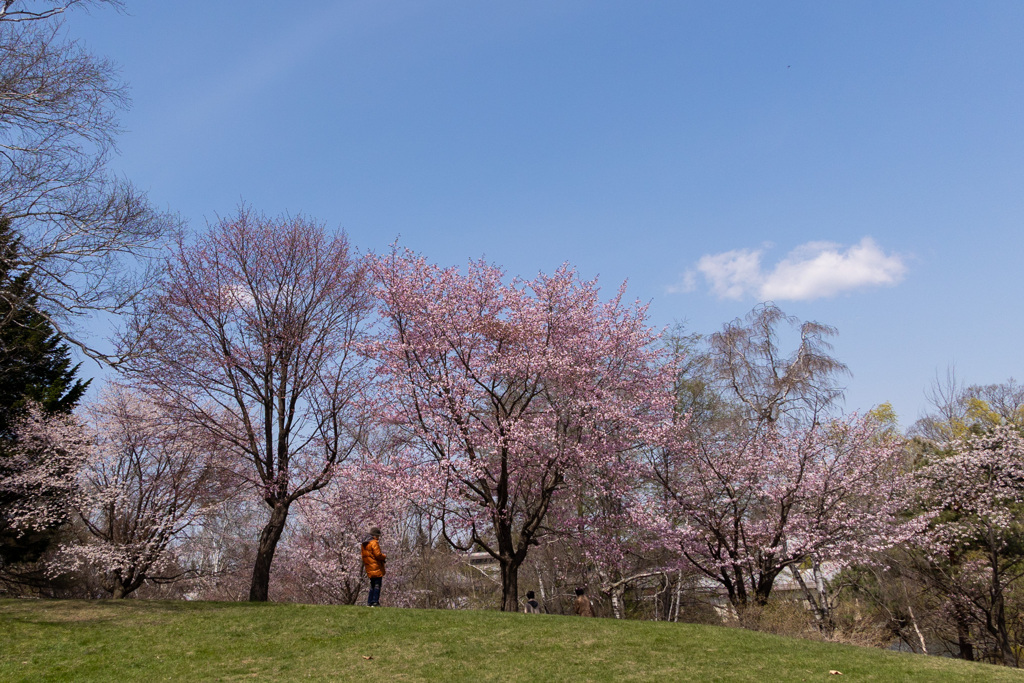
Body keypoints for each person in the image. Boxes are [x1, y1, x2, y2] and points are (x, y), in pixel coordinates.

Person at [361, 526, 386, 607]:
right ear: (375, 535)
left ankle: (369, 602)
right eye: (378, 536)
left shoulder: (364, 543)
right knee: (377, 585)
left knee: (372, 585)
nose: (378, 538)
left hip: (369, 567)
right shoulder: (374, 543)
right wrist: (384, 556)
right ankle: (375, 601)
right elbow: (377, 554)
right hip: (376, 567)